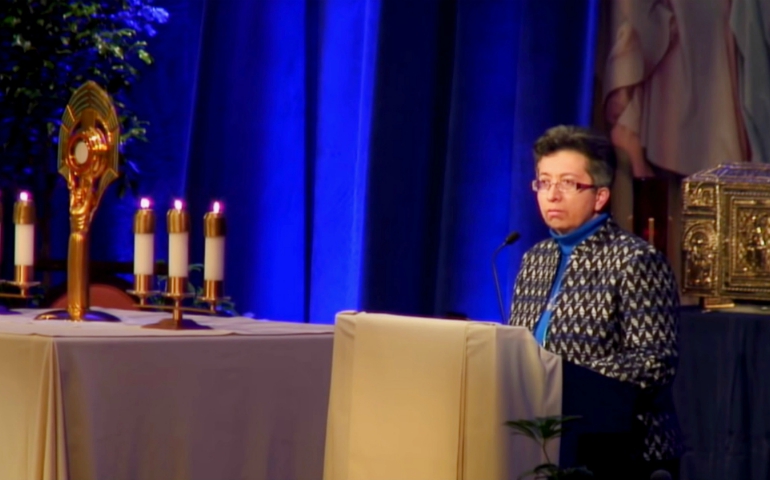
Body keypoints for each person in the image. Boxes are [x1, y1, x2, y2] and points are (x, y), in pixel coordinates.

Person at [508, 125, 682, 479]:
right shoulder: (534, 259)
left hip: (621, 451)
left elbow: (655, 363)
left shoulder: (636, 261)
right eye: (544, 182)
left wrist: (558, 379)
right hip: (541, 441)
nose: (552, 195)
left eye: (567, 183)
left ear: (600, 196)